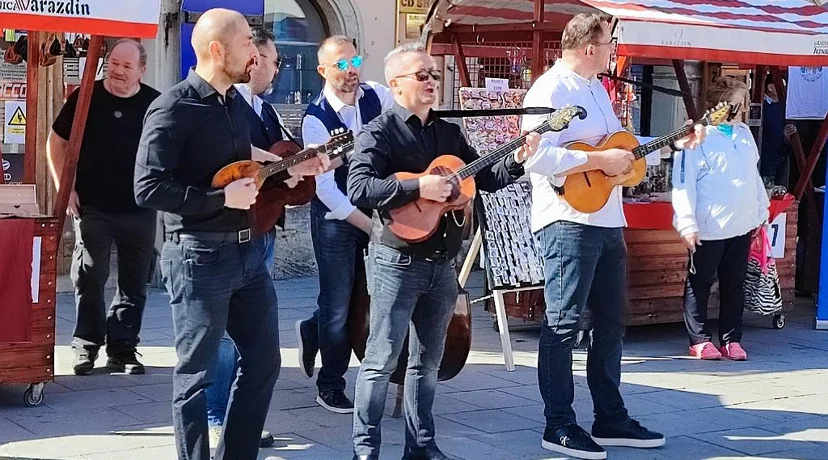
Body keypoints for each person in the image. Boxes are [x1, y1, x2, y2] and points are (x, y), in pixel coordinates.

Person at [133, 9, 327, 460]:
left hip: (248, 255)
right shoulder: (173, 107)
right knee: (196, 376)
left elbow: (245, 151)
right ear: (218, 50)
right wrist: (220, 200)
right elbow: (147, 187)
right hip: (199, 258)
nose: (255, 59)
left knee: (263, 363)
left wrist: (288, 167)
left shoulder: (234, 101)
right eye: (247, 47)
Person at [520, 13, 704, 460]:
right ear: (587, 48)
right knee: (562, 324)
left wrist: (671, 142)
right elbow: (535, 157)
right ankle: (558, 424)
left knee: (611, 323)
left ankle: (610, 417)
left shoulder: (597, 89)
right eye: (608, 44)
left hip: (607, 222)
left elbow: (622, 144)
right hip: (567, 219)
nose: (612, 52)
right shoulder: (550, 89)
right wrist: (597, 162)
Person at [347, 42, 540, 460]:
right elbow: (359, 189)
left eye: (434, 74)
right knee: (380, 361)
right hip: (396, 262)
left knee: (427, 362)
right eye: (422, 75)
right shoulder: (379, 133)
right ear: (397, 84)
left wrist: (519, 160)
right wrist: (419, 186)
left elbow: (483, 178)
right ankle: (366, 449)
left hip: (442, 264)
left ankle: (421, 446)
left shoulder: (449, 133)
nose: (432, 81)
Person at [47, 39, 160, 376]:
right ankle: (86, 345)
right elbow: (56, 142)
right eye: (113, 63)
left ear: (141, 69)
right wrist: (64, 190)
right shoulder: (85, 97)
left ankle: (123, 349)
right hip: (93, 205)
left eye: (126, 66)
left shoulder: (154, 104)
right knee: (89, 276)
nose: (118, 71)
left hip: (139, 206)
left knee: (135, 281)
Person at [295, 35, 394, 414]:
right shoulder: (316, 118)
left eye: (354, 63)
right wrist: (368, 226)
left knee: (363, 298)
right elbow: (324, 189)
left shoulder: (377, 96)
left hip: (374, 210)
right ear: (323, 70)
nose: (351, 72)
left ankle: (311, 330)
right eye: (341, 66)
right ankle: (330, 383)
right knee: (338, 304)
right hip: (337, 218)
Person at [203, 26, 289, 449]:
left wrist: (300, 169)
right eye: (267, 59)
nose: (270, 68)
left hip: (264, 228)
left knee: (256, 340)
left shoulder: (266, 111)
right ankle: (217, 415)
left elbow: (272, 172)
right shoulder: (217, 107)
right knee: (222, 334)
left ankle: (242, 419)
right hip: (228, 234)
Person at [672, 76, 770, 361]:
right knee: (700, 280)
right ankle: (699, 338)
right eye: (739, 103)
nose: (743, 109)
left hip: (741, 222)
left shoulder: (744, 134)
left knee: (734, 281)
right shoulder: (698, 137)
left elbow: (753, 175)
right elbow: (684, 182)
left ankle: (731, 338)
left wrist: (761, 212)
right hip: (709, 225)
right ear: (722, 104)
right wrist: (687, 222)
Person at [759, 73, 797, 187]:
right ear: (770, 87)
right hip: (765, 155)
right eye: (781, 86)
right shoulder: (761, 104)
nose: (784, 89)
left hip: (782, 153)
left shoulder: (784, 105)